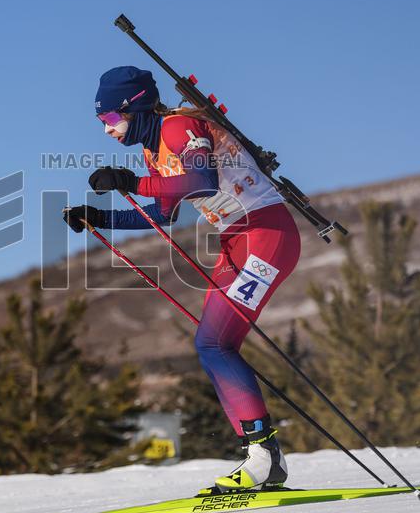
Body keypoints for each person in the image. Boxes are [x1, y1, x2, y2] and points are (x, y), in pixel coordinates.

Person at [64, 66, 302, 491]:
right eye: (102, 123)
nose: (107, 131)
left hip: (267, 233)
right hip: (236, 238)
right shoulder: (152, 151)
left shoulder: (178, 127)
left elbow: (201, 181)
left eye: (110, 120)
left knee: (214, 343)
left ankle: (265, 458)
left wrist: (131, 182)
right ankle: (262, 457)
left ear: (133, 106)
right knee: (211, 345)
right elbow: (162, 213)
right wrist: (99, 217)